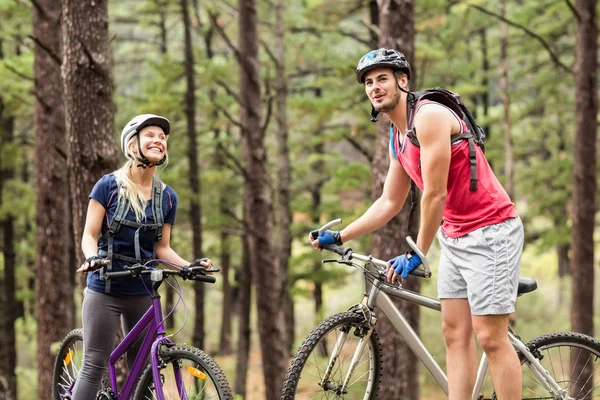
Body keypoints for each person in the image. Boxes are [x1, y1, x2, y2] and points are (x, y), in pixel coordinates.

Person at [309, 49, 524, 400]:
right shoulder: (398, 136)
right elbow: (389, 202)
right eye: (368, 82)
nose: (375, 87)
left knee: (489, 337)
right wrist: (342, 234)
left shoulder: (429, 117)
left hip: (492, 231)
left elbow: (435, 194)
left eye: (382, 79)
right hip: (454, 237)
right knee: (454, 335)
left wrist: (417, 254)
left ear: (402, 81)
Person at [72, 114, 213, 399]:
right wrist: (91, 257)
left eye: (162, 137)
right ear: (132, 144)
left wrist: (190, 266)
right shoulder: (108, 187)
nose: (158, 140)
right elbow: (89, 234)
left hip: (142, 289)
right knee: (94, 365)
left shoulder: (168, 197)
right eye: (150, 134)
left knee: (144, 372)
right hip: (106, 287)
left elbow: (162, 248)